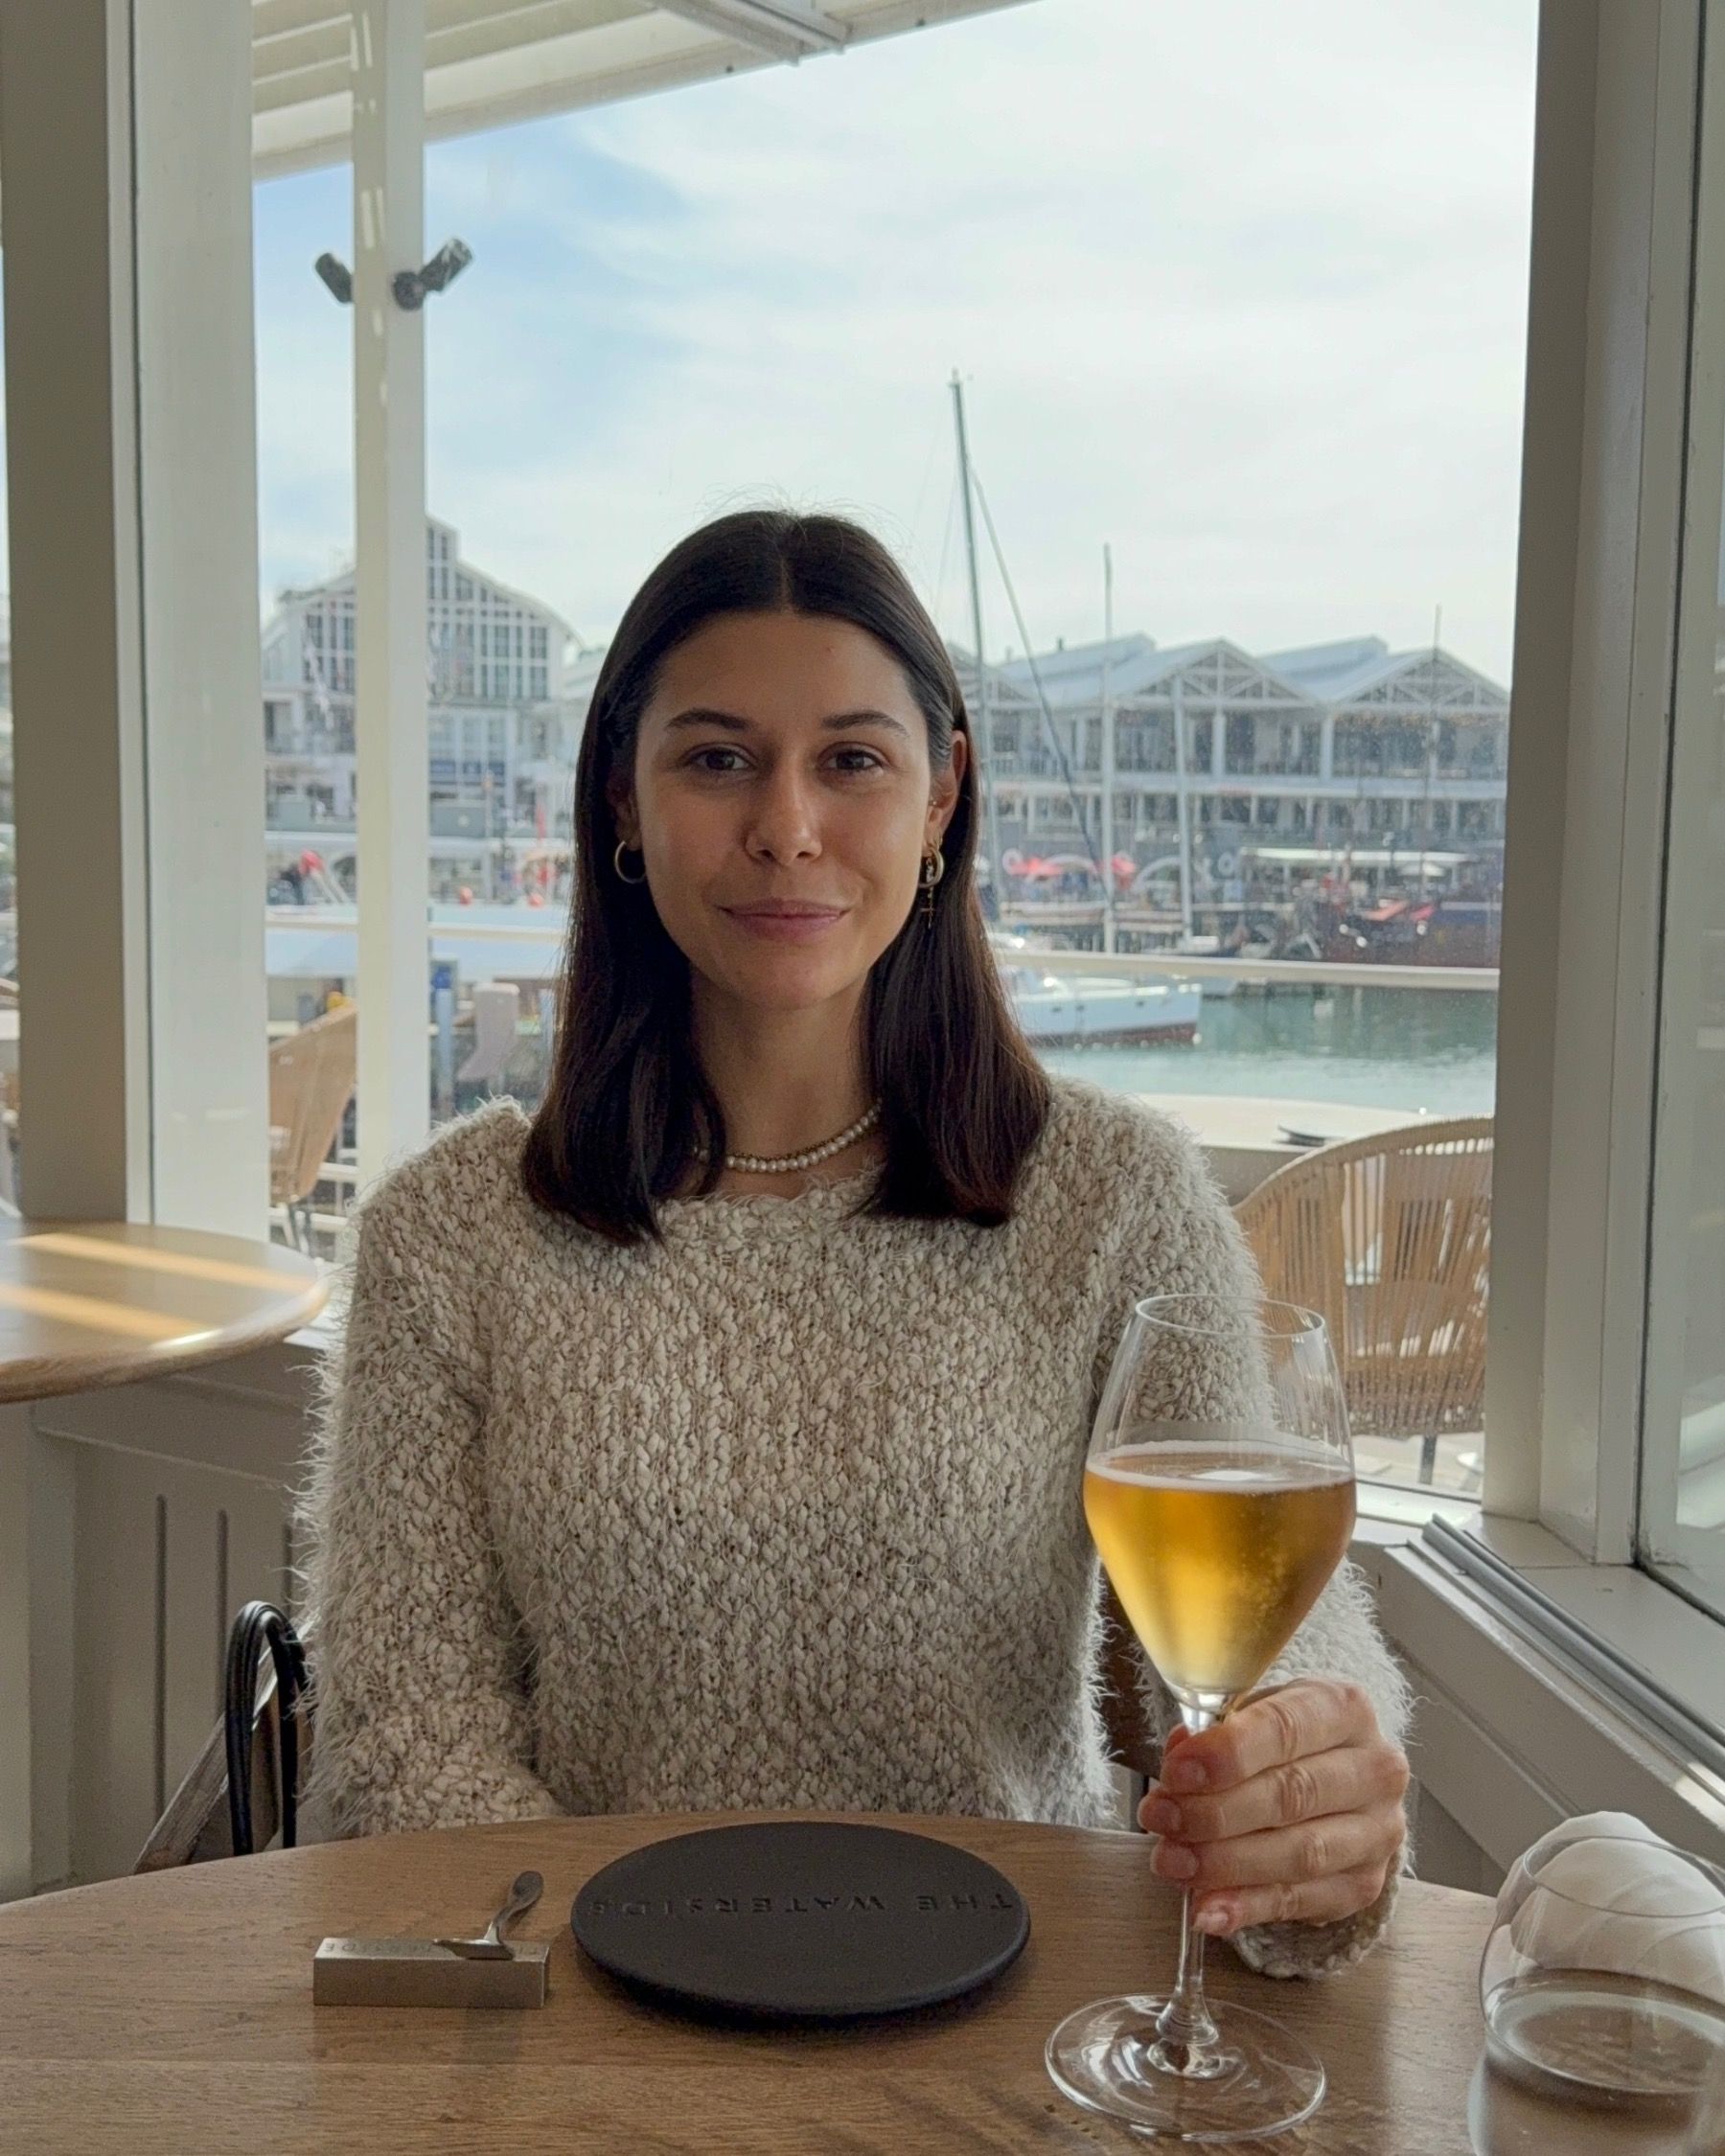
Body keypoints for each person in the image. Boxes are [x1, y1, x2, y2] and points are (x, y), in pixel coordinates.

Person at [297, 508, 1410, 1981]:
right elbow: (402, 1763)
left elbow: (1271, 1631)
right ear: (621, 798)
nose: (787, 826)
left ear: (943, 794)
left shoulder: (1116, 1197)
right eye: (716, 757)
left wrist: (1306, 1790)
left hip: (1028, 2032)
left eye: (852, 759)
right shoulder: (452, 1238)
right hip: (596, 2047)